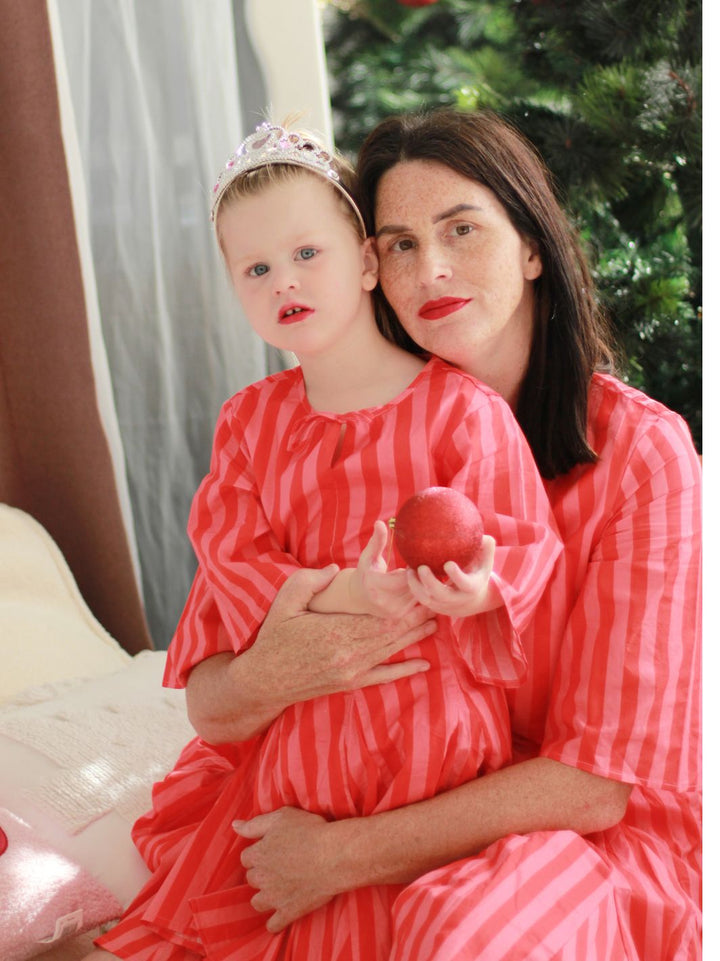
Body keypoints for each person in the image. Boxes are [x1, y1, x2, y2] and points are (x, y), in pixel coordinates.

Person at [145, 108, 701, 961]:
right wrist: (288, 663)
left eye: (462, 229)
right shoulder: (328, 433)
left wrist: (340, 855)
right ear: (370, 263)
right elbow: (213, 704)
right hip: (373, 784)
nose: (430, 268)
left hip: (575, 829)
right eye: (401, 242)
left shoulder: (643, 453)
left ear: (532, 246)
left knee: (466, 934)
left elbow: (597, 786)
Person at [87, 120, 561, 960]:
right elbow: (232, 559)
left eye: (308, 253)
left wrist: (476, 587)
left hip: (431, 751)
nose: (284, 281)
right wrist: (351, 590)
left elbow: (524, 541)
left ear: (368, 262)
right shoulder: (248, 424)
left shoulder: (461, 410)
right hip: (301, 763)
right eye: (256, 269)